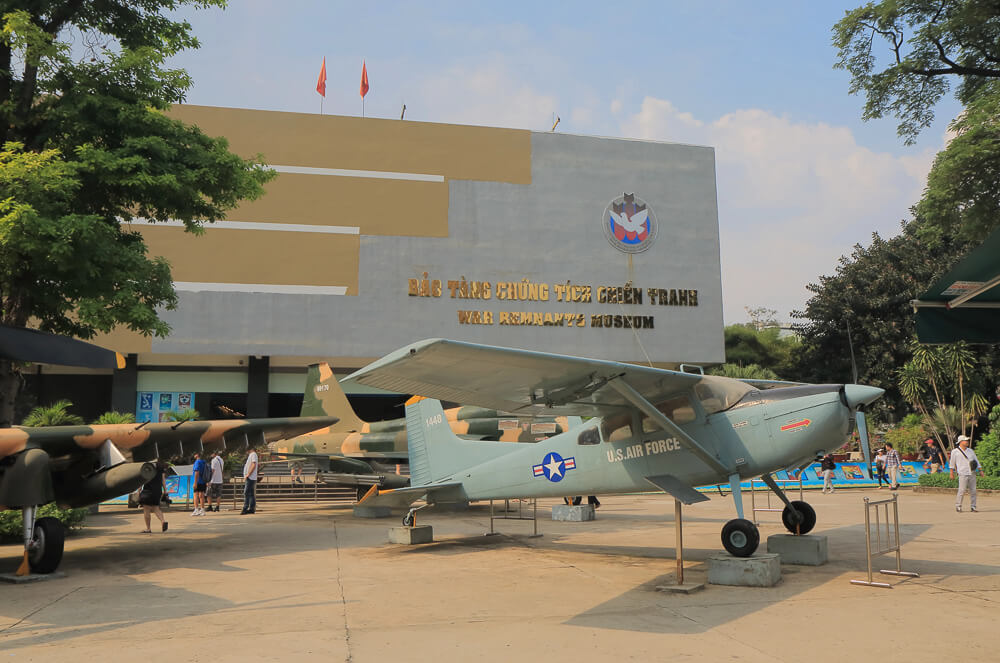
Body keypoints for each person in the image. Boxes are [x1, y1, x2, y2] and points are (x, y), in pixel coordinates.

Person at [950, 434, 985, 512]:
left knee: (973, 491)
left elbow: (976, 460)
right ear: (960, 442)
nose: (967, 442)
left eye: (967, 440)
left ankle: (973, 507)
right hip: (962, 473)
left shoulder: (970, 451)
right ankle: (958, 506)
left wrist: (980, 470)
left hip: (972, 472)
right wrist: (951, 473)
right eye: (965, 440)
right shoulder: (955, 452)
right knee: (961, 490)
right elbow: (952, 463)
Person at [138, 460, 169, 533]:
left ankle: (148, 528)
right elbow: (163, 480)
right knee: (156, 508)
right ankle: (163, 521)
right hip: (158, 491)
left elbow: (143, 479)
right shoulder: (160, 467)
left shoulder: (147, 466)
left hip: (148, 490)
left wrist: (139, 490)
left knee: (146, 509)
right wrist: (165, 491)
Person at [241, 445, 260, 514]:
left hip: (250, 477)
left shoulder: (253, 454)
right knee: (251, 493)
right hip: (251, 477)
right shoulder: (252, 455)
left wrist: (248, 474)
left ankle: (245, 507)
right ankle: (252, 508)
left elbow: (253, 464)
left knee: (246, 492)